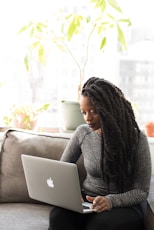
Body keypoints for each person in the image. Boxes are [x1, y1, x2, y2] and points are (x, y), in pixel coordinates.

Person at [48, 77, 151, 230]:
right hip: (89, 201)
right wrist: (71, 194)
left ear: (109, 109)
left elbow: (141, 191)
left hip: (123, 206)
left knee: (99, 225)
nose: (88, 118)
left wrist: (110, 201)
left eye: (93, 112)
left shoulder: (136, 138)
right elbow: (61, 170)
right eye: (83, 112)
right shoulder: (82, 133)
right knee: (57, 217)